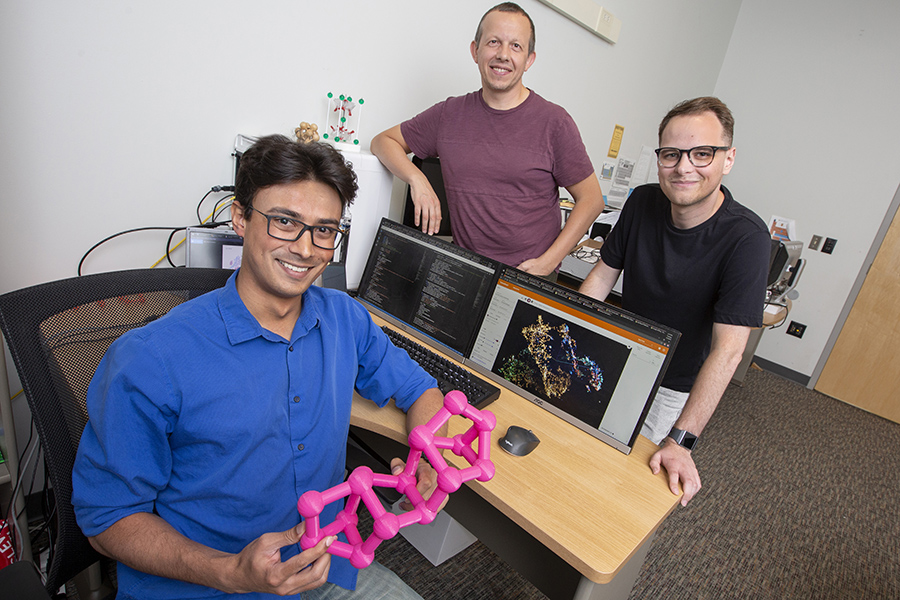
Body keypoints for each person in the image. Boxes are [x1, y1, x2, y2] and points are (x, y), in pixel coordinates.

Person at [72, 135, 446, 599]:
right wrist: (230, 572)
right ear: (240, 217)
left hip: (321, 565)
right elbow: (106, 521)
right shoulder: (151, 358)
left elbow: (419, 389)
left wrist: (429, 458)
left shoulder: (345, 318)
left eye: (325, 230)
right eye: (285, 222)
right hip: (205, 583)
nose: (307, 249)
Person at [579, 97, 770, 507]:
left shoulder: (747, 238)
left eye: (702, 153)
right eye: (672, 154)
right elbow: (600, 277)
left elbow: (729, 350)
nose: (684, 167)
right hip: (618, 355)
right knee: (581, 450)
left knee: (627, 489)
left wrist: (682, 441)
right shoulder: (643, 201)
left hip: (673, 384)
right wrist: (570, 336)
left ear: (728, 158)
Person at [371, 2, 605, 278]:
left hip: (530, 276)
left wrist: (548, 262)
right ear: (476, 50)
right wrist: (417, 179)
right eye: (494, 42)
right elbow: (382, 142)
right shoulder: (449, 114)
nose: (503, 54)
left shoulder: (555, 122)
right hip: (466, 272)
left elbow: (592, 200)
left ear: (529, 59)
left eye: (516, 46)